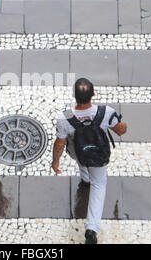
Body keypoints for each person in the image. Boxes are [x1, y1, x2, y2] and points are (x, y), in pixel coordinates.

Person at [52, 78, 127, 244]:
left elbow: (59, 143)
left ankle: (85, 179)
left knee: (82, 159)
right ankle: (92, 228)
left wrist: (55, 162)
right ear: (93, 94)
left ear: (74, 95)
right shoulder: (105, 112)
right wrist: (122, 124)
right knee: (99, 185)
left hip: (78, 153)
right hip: (98, 156)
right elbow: (121, 130)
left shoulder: (65, 117)